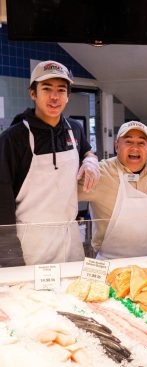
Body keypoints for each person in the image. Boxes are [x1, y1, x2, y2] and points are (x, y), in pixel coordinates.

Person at [0, 60, 100, 266]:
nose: (54, 97)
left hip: (70, 238)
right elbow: (2, 198)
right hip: (31, 243)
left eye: (61, 90)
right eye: (46, 89)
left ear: (68, 96)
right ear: (33, 93)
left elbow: (86, 150)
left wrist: (91, 159)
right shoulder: (13, 138)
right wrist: (9, 253)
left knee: (75, 297)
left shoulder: (74, 129)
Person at [79, 120, 147, 259]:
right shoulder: (101, 173)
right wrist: (87, 160)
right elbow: (64, 193)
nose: (135, 148)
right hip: (111, 262)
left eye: (141, 143)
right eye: (128, 142)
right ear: (116, 145)